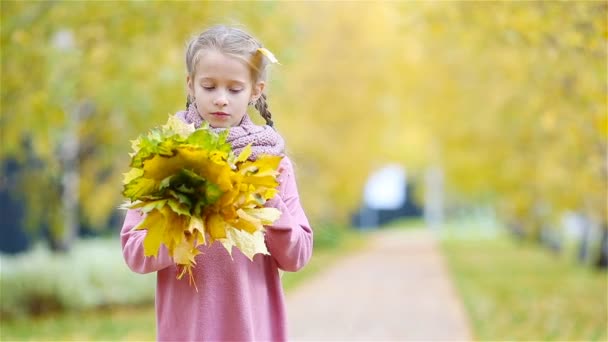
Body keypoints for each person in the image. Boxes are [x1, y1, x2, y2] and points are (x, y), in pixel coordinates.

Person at [120, 25, 313, 341]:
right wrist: (186, 209)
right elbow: (135, 252)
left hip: (255, 332)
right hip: (188, 333)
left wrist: (269, 201)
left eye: (234, 89)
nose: (221, 99)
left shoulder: (273, 165)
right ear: (191, 85)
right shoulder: (163, 158)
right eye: (209, 86)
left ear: (255, 91)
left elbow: (297, 256)